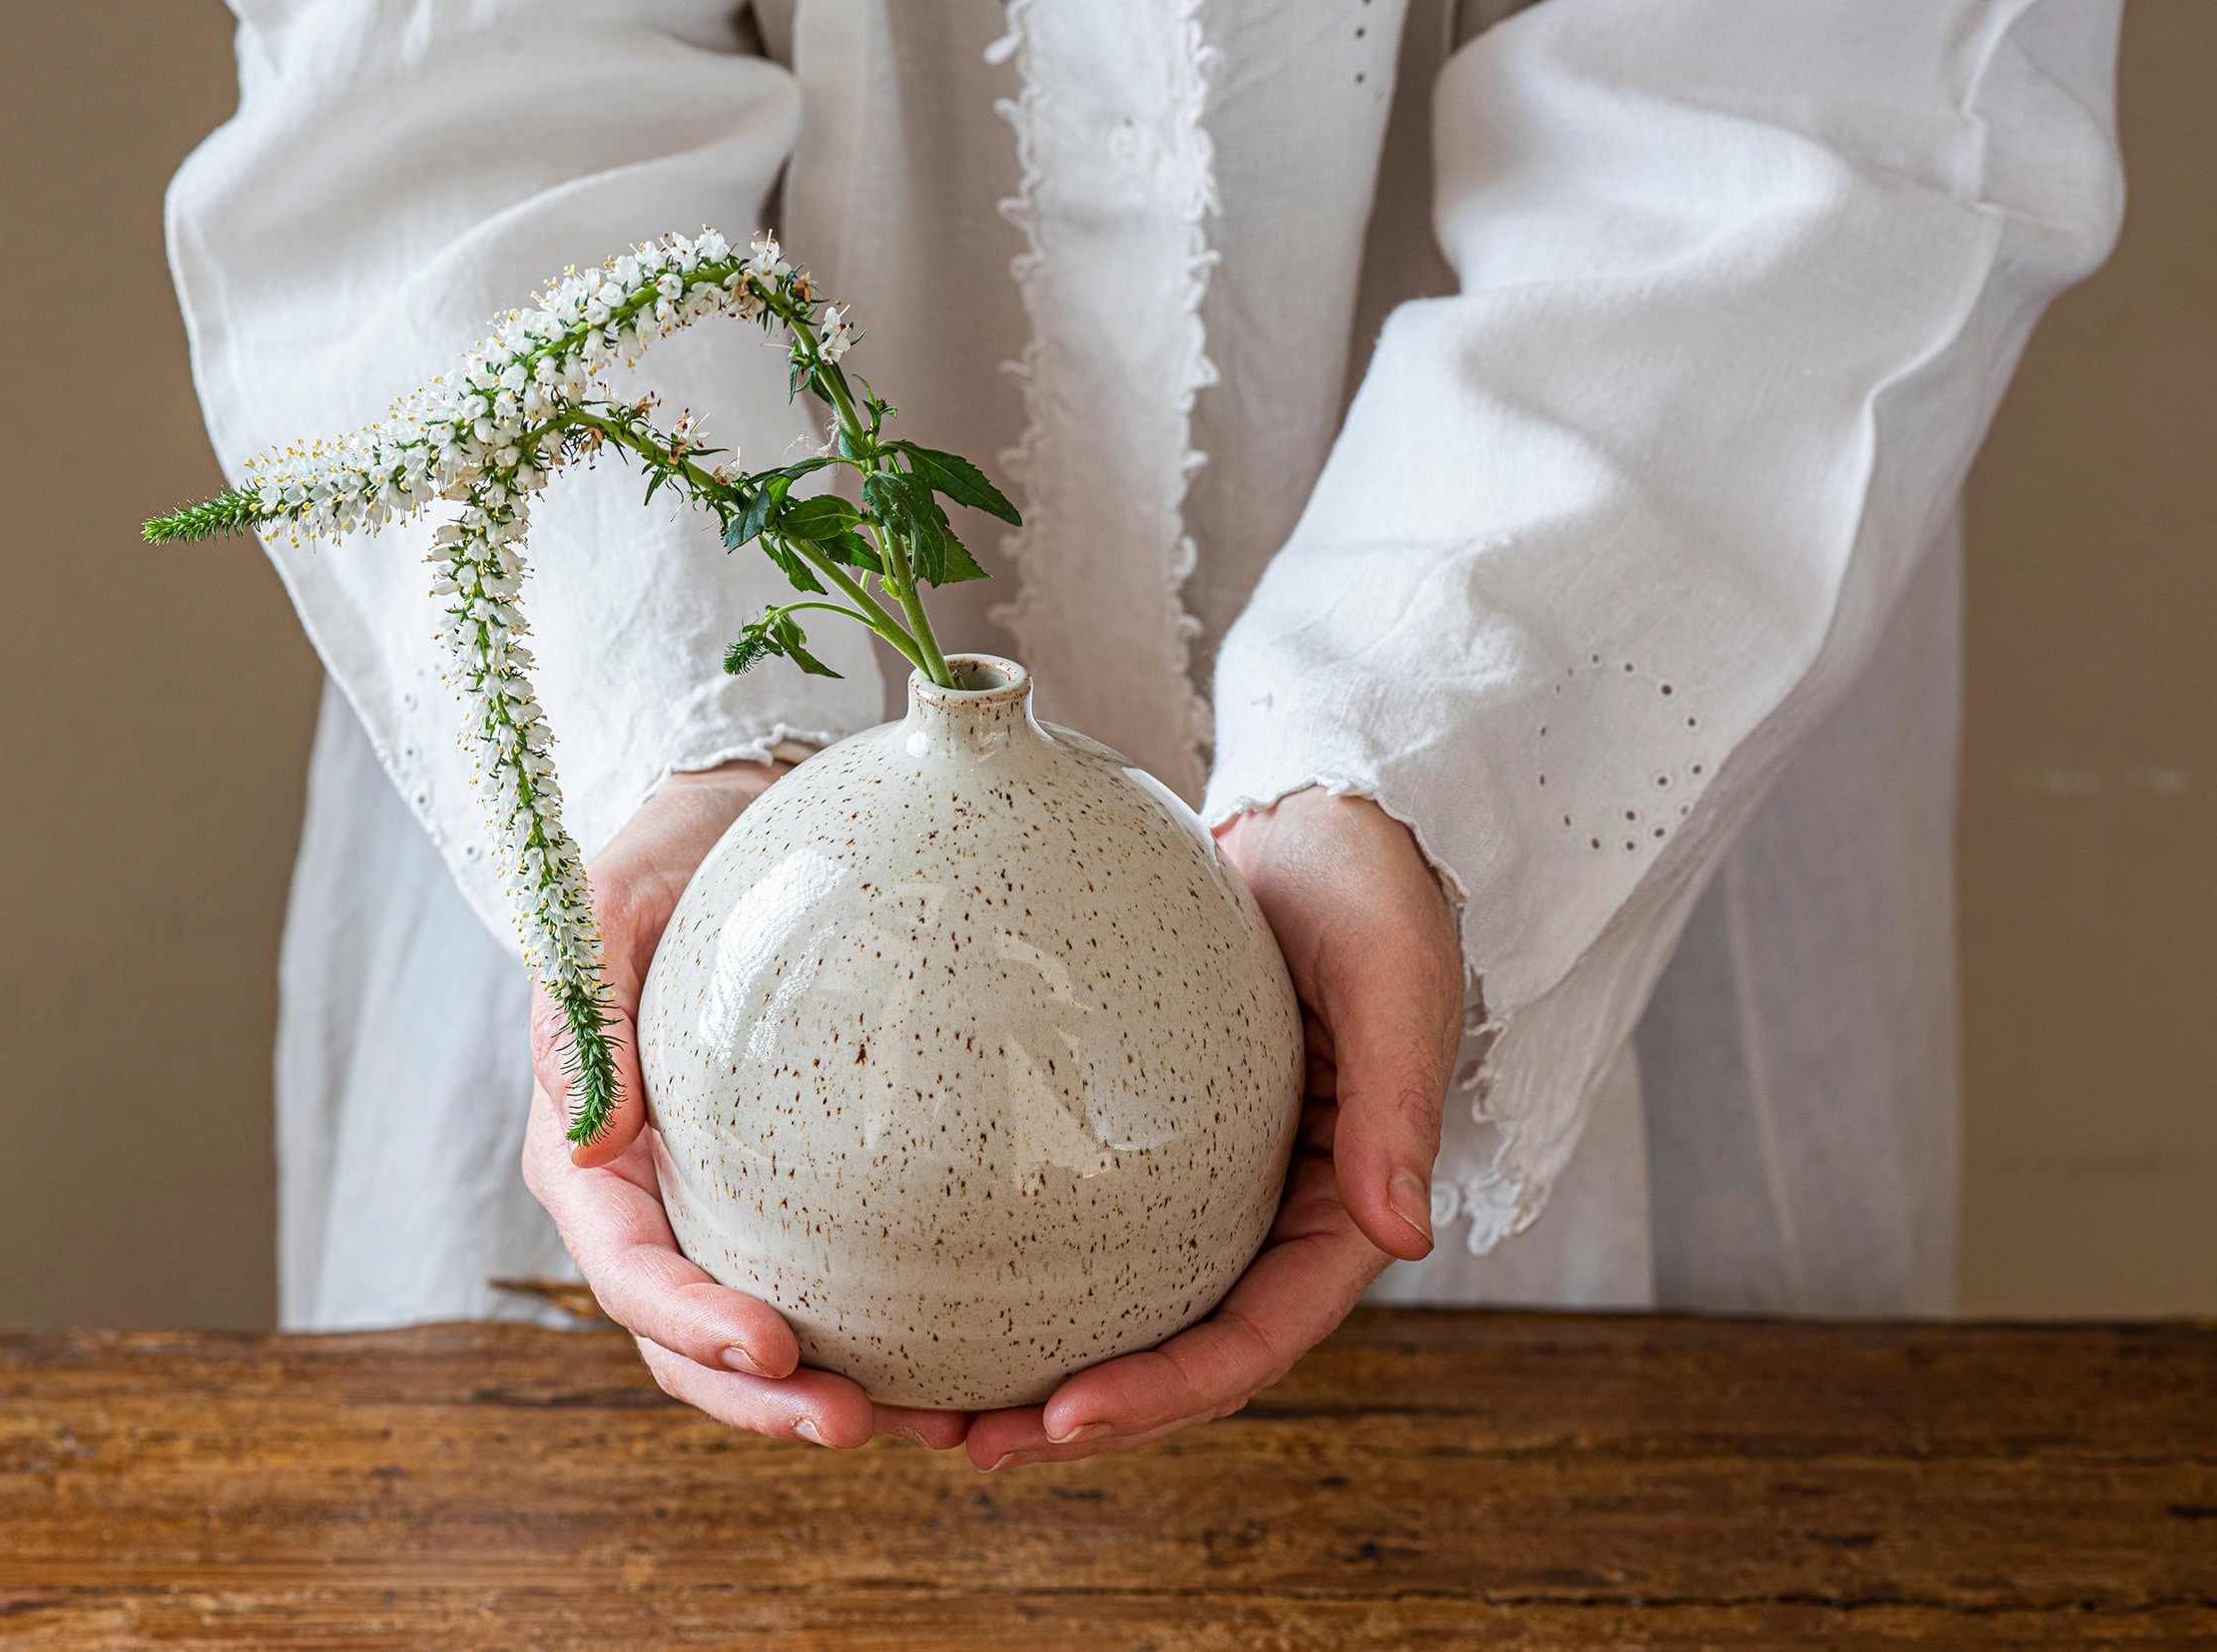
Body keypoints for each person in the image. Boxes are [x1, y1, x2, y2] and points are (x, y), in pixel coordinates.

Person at [167, 0, 2123, 1466]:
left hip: (1605, 703)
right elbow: (438, 80)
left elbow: (1813, 94)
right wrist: (688, 747)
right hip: (631, 795)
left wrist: (1422, 767)